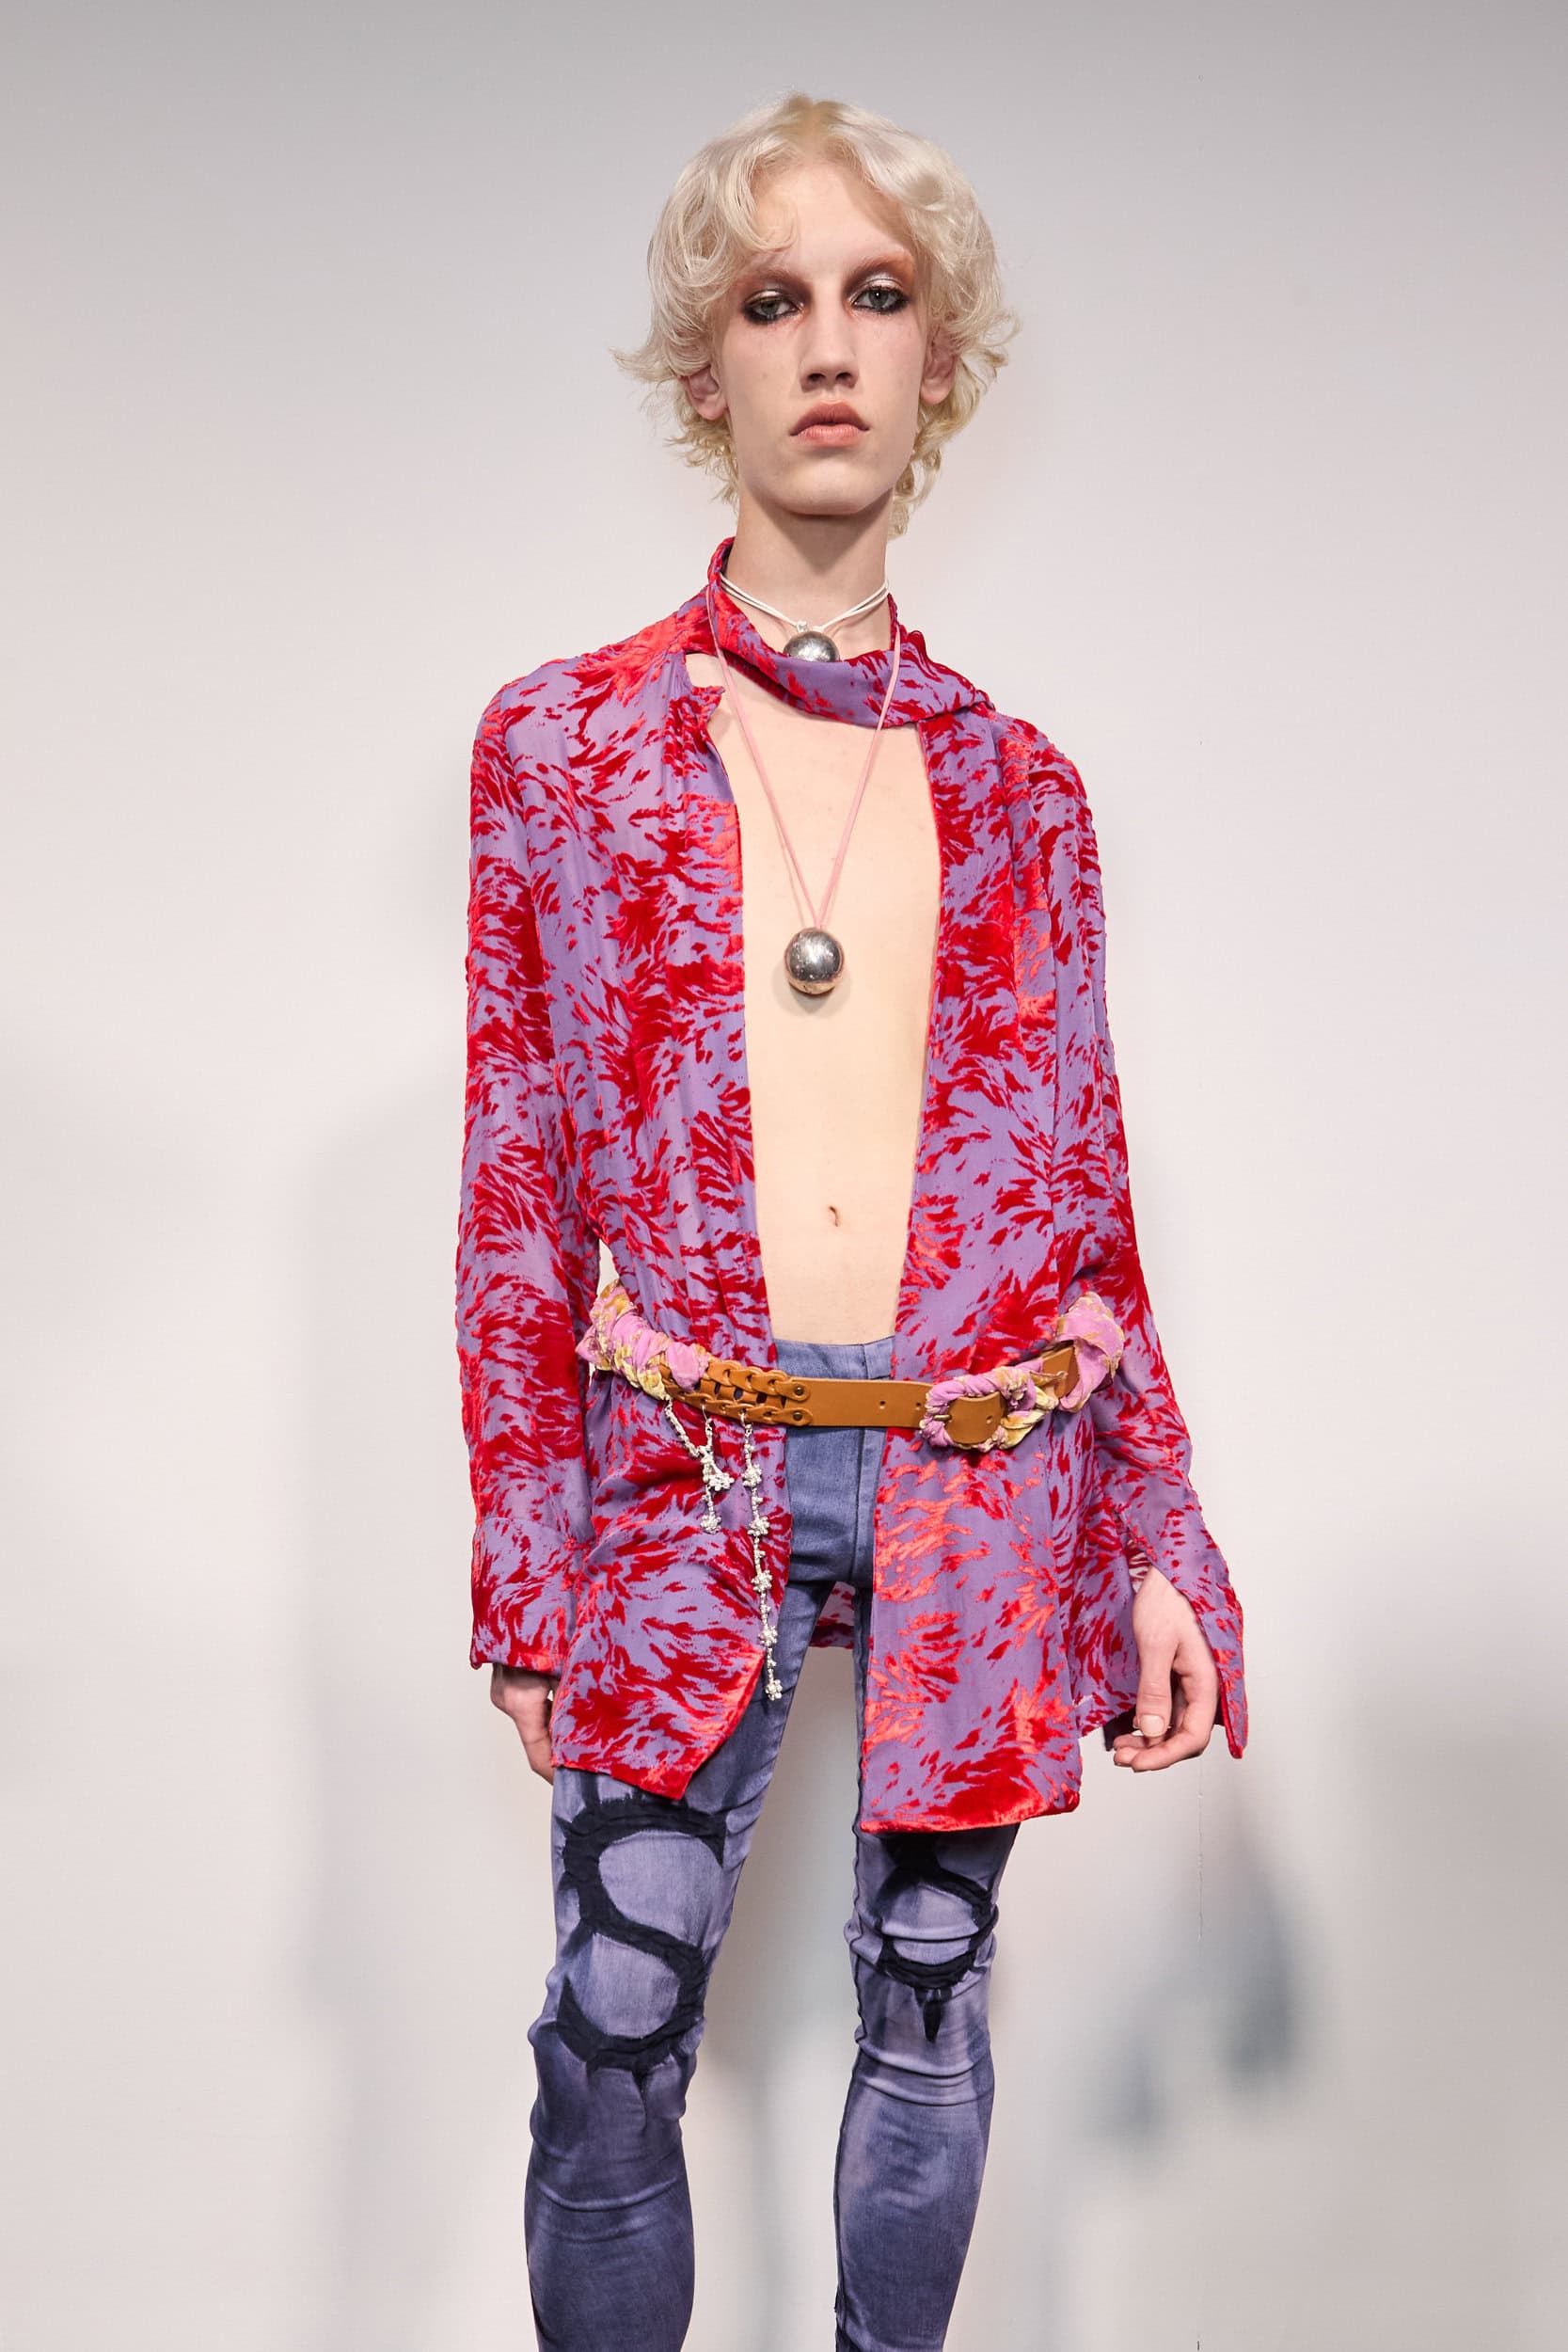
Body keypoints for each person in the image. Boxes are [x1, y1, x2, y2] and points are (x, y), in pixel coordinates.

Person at [456, 90, 1248, 2352]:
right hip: (677, 1467)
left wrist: (1164, 1543)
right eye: (772, 297)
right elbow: (517, 1180)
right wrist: (527, 1550)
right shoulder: (564, 750)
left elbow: (1085, 1204)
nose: (827, 342)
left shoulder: (1024, 792)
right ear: (703, 364)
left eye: (876, 297)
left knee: (929, 2006)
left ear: (938, 361)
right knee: (613, 2032)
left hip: (974, 1478)